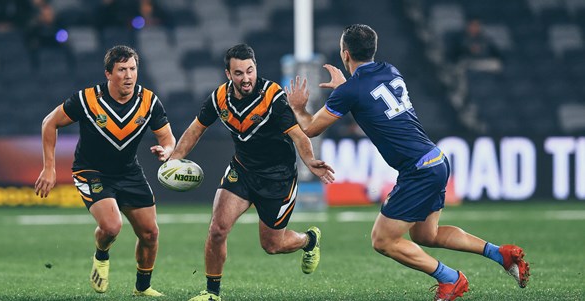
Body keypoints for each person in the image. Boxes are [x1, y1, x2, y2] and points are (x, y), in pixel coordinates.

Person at [285, 24, 529, 301]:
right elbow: (367, 96)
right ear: (372, 50)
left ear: (345, 54)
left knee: (383, 240)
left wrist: (298, 107)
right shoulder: (390, 70)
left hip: (418, 171)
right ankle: (501, 254)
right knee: (427, 235)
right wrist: (346, 88)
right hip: (435, 159)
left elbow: (311, 128)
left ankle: (451, 279)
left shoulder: (350, 90)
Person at [169, 43, 335, 301]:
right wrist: (174, 160)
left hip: (277, 178)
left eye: (250, 71)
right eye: (238, 73)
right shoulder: (218, 99)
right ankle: (212, 293)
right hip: (242, 171)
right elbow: (195, 129)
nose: (246, 78)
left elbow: (298, 136)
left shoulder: (273, 97)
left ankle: (309, 240)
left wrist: (310, 160)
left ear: (255, 68)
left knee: (272, 245)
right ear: (228, 74)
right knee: (217, 229)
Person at [34, 45, 175, 297]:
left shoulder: (149, 101)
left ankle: (142, 288)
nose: (129, 75)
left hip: (129, 172)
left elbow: (168, 138)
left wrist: (166, 151)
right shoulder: (87, 99)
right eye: (122, 69)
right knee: (111, 227)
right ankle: (101, 256)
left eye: (133, 68)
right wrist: (49, 168)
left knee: (150, 233)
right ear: (109, 74)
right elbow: (49, 122)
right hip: (91, 171)